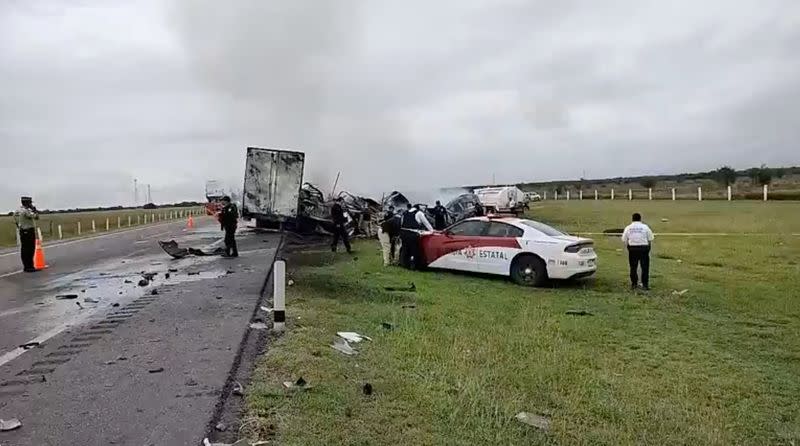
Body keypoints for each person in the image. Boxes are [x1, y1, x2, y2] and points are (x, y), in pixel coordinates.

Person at [622, 212, 655, 290]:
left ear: (632, 219)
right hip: (644, 248)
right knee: (645, 267)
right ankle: (645, 285)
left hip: (633, 249)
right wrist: (648, 248)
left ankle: (634, 284)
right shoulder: (645, 227)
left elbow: (624, 239)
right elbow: (650, 239)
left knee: (633, 267)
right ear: (640, 219)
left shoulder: (628, 227)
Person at [399, 204, 433, 269]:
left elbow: (402, 223)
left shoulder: (405, 213)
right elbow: (426, 223)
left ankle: (404, 264)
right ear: (418, 208)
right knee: (414, 250)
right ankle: (414, 265)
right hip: (413, 234)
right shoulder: (419, 213)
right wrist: (431, 230)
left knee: (405, 249)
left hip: (404, 233)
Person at [13, 196, 39, 272]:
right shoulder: (26, 211)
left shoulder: (18, 210)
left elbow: (15, 218)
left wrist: (19, 226)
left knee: (24, 249)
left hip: (22, 230)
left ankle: (26, 266)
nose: (31, 204)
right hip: (28, 231)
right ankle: (29, 266)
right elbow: (36, 217)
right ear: (27, 203)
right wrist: (34, 210)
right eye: (30, 203)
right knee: (30, 249)